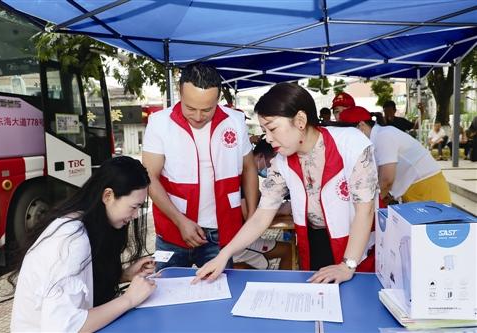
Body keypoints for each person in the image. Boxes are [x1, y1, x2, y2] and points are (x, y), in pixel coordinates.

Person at [194, 82, 378, 285]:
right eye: (265, 130)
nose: (268, 138)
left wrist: (347, 265)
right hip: (314, 239)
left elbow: (365, 210)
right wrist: (223, 255)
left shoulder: (352, 144)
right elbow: (261, 216)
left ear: (300, 120)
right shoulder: (281, 161)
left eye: (272, 128)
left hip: (355, 243)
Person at [9, 156, 157, 332]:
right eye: (134, 207)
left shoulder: (86, 224)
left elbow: (81, 286)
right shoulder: (72, 240)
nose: (135, 216)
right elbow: (64, 327)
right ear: (108, 196)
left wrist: (123, 275)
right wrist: (129, 299)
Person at [142, 63, 258, 271]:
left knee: (221, 292)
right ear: (180, 92)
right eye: (190, 108)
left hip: (220, 231)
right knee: (165, 292)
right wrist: (180, 221)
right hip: (172, 231)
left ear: (218, 98)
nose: (197, 116)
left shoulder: (235, 120)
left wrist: (251, 218)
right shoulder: (159, 123)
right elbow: (149, 177)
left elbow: (249, 168)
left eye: (206, 109)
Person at [340, 106, 451, 204]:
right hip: (413, 189)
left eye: (349, 132)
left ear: (361, 125)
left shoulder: (383, 136)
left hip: (427, 188)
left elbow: (387, 180)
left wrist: (368, 207)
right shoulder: (374, 140)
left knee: (433, 227)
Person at [234, 138, 293, 270]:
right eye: (271, 161)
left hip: (242, 236)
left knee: (287, 249)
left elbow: (261, 203)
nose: (272, 166)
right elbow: (247, 214)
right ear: (260, 156)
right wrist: (281, 211)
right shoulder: (244, 177)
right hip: (238, 238)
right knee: (287, 250)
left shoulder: (251, 177)